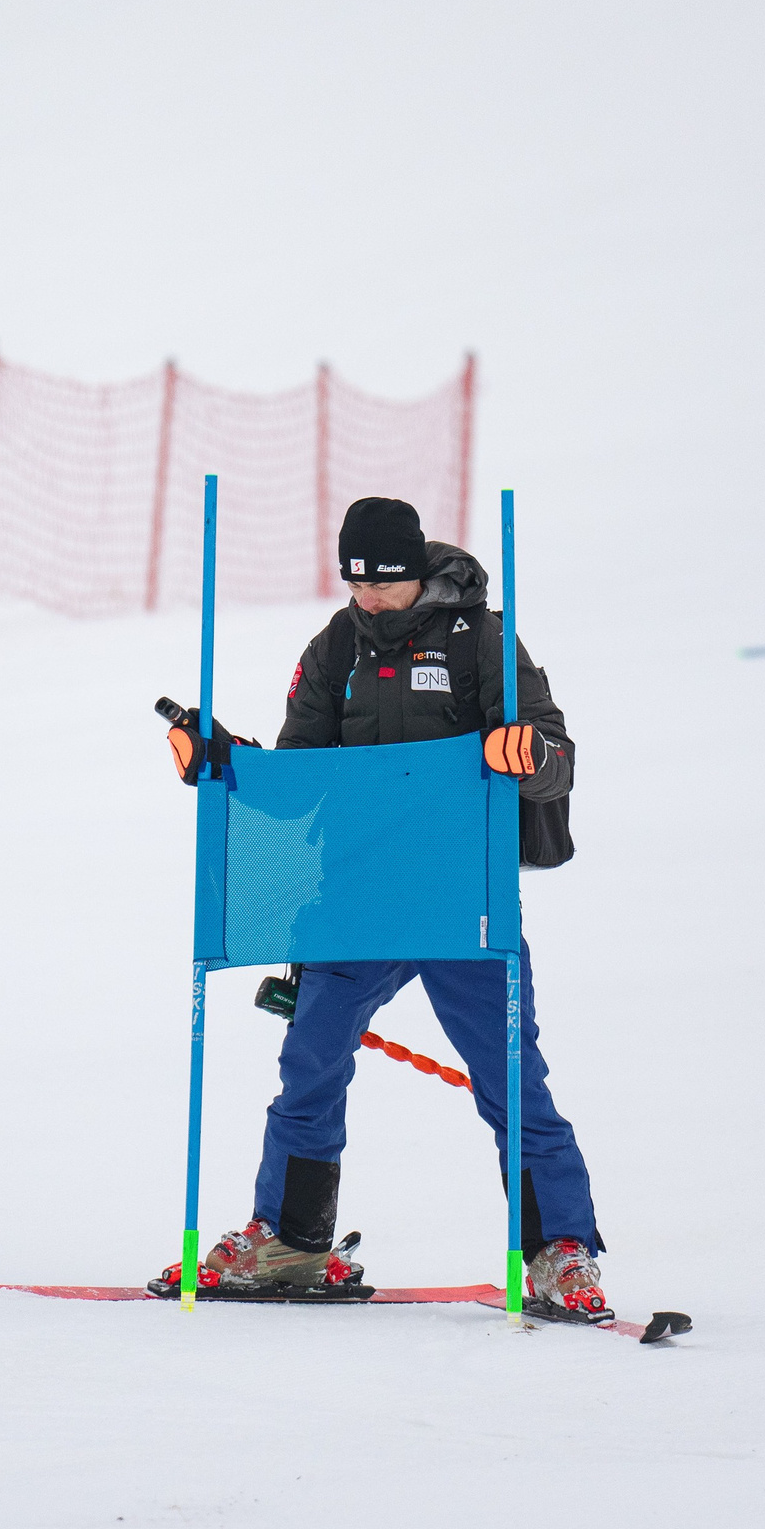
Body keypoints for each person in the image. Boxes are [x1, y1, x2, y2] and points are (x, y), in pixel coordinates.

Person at [162, 496, 608, 1320]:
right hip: (358, 897)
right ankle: (293, 1241)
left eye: (385, 583)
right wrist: (220, 762)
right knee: (311, 1059)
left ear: (418, 568)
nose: (369, 598)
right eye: (356, 582)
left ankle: (561, 1252)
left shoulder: (485, 641)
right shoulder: (336, 648)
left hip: (461, 900)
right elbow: (296, 789)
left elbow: (557, 760)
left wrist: (529, 751)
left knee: (512, 1080)